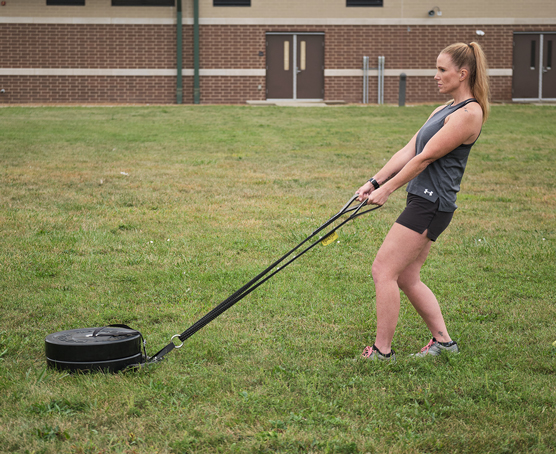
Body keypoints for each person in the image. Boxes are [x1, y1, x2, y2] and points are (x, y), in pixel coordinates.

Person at [356, 42, 490, 361]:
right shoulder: (443, 110)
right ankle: (444, 344)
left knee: (383, 270)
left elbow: (425, 158)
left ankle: (381, 351)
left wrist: (387, 190)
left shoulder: (469, 114)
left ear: (463, 74)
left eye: (442, 70)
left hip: (432, 204)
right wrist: (374, 181)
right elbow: (408, 150)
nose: (435, 76)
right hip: (423, 200)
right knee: (406, 276)